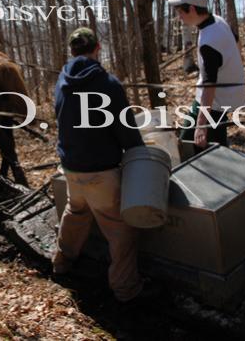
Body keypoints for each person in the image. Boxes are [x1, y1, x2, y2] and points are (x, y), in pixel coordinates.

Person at [51, 27, 147, 303]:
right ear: (98, 48)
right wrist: (140, 155)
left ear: (72, 51)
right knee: (120, 228)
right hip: (100, 172)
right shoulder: (109, 84)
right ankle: (126, 289)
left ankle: (61, 262)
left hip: (70, 167)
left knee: (76, 211)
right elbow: (127, 131)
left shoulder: (61, 80)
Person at [167, 0, 245, 150]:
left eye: (180, 12)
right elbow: (237, 42)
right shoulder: (217, 20)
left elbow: (209, 85)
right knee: (214, 140)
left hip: (216, 101)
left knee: (190, 141)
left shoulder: (209, 42)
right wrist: (232, 67)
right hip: (227, 96)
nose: (179, 17)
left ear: (191, 9)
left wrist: (201, 125)